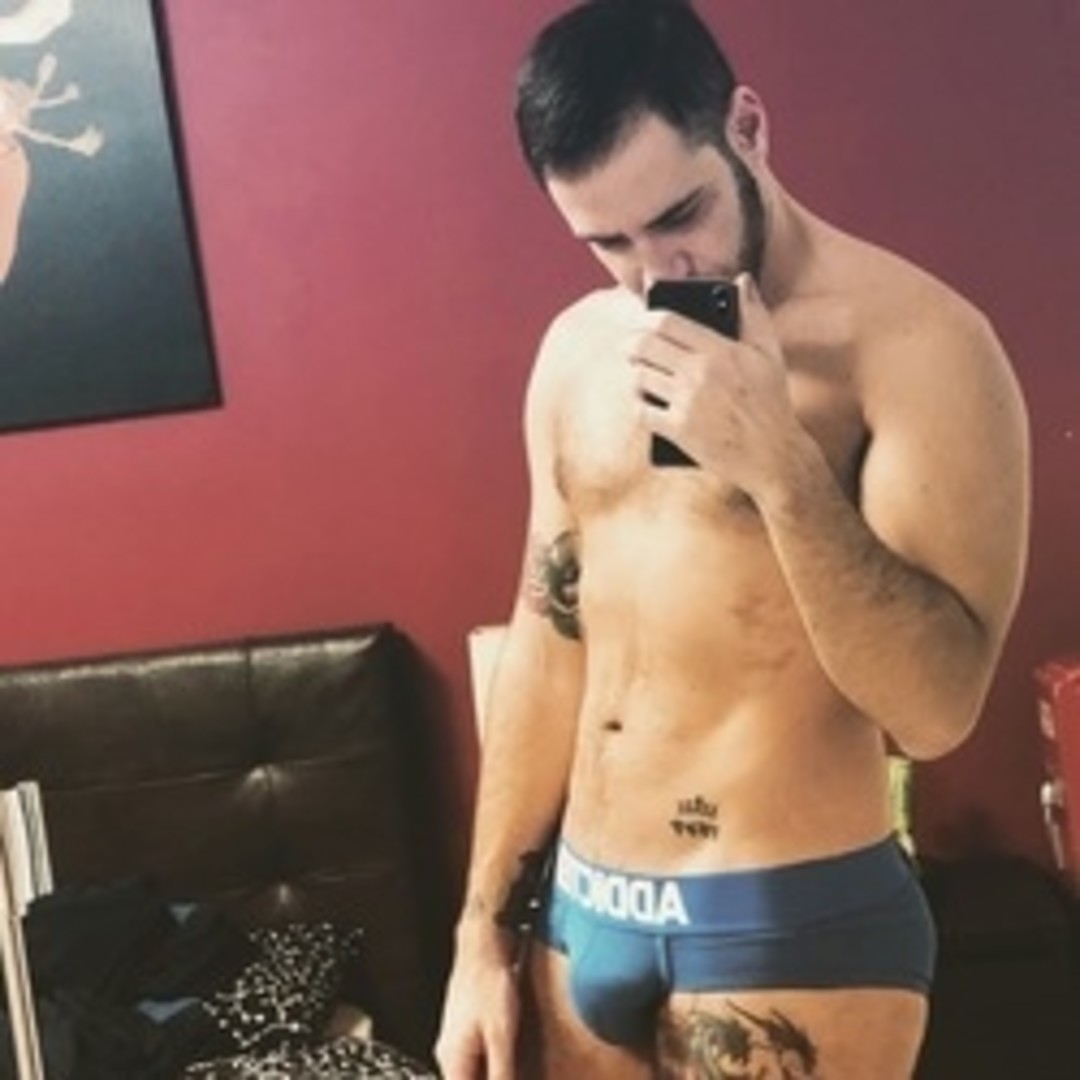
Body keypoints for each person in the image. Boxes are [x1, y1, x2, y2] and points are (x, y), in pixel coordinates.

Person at [436, 1, 1030, 1077]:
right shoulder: (578, 349)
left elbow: (936, 710)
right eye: (608, 242)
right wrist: (481, 932)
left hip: (785, 926)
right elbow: (548, 639)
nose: (656, 270)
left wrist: (779, 467)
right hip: (582, 911)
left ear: (747, 128)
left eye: (681, 215)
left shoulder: (921, 348)